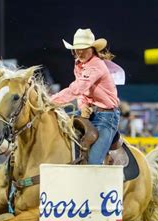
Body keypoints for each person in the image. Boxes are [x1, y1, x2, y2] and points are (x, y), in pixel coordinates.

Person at [50, 28, 120, 165]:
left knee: (93, 162)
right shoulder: (79, 64)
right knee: (57, 124)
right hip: (91, 113)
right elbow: (83, 93)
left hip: (107, 117)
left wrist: (49, 101)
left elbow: (77, 89)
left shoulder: (96, 66)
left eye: (83, 48)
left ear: (92, 49)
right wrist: (83, 106)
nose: (79, 51)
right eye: (77, 48)